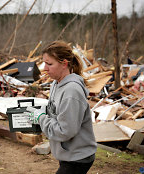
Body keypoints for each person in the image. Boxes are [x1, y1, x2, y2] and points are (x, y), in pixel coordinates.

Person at [28, 40, 97, 174]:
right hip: (67, 153)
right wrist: (40, 114)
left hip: (78, 157)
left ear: (64, 64)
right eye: (44, 63)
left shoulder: (72, 91)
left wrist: (41, 119)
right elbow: (55, 113)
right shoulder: (56, 84)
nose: (44, 68)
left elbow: (65, 131)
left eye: (49, 64)